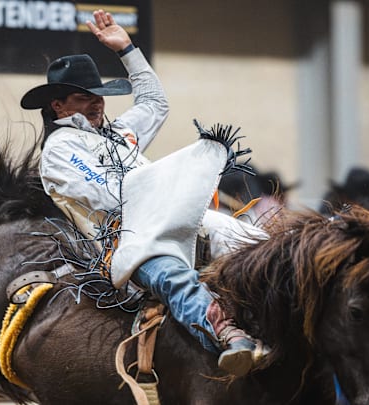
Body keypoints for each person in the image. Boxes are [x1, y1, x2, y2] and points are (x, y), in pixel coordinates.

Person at [20, 9, 268, 376]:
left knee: (257, 243)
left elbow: (154, 104)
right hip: (127, 242)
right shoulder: (59, 150)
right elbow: (114, 197)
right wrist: (178, 184)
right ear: (58, 106)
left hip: (180, 221)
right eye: (84, 97)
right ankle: (226, 335)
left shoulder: (116, 133)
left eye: (99, 95)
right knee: (171, 275)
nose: (97, 102)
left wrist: (127, 50)